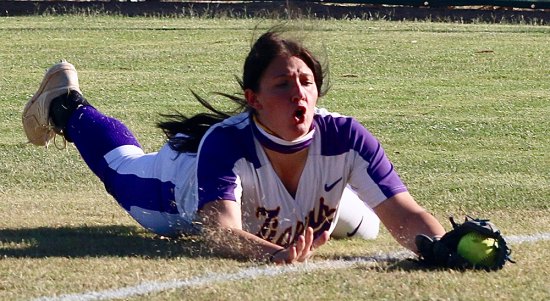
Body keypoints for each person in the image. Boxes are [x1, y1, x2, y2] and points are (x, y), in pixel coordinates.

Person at [22, 28, 445, 264]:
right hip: (184, 188)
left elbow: (406, 215)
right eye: (282, 84)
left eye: (306, 83)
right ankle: (64, 104)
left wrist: (446, 248)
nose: (299, 93)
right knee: (122, 165)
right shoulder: (227, 143)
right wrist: (275, 255)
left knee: (367, 227)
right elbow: (219, 231)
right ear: (253, 99)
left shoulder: (347, 137)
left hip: (291, 201)